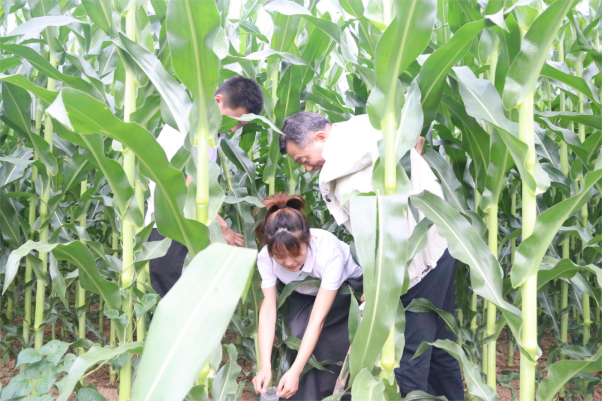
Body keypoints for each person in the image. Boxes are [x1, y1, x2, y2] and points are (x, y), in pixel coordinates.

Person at [278, 112, 464, 400]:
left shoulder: (347, 175)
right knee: (440, 348)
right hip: (439, 245)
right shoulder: (373, 126)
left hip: (411, 268)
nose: (307, 168)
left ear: (321, 137)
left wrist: (378, 280)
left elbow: (384, 234)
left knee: (408, 358)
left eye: (303, 159)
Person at [148, 75, 264, 297]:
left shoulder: (210, 134)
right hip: (170, 230)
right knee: (175, 302)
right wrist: (223, 228)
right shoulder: (189, 129)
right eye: (236, 121)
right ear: (218, 100)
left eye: (241, 125)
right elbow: (187, 192)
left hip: (187, 228)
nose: (234, 129)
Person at [252, 194, 362, 401]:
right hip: (303, 291)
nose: (289, 263)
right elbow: (268, 310)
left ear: (309, 239)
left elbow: (317, 319)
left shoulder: (328, 251)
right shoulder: (265, 257)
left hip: (346, 289)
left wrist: (296, 371)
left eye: (296, 254)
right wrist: (264, 365)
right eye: (280, 257)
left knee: (331, 344)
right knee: (296, 337)